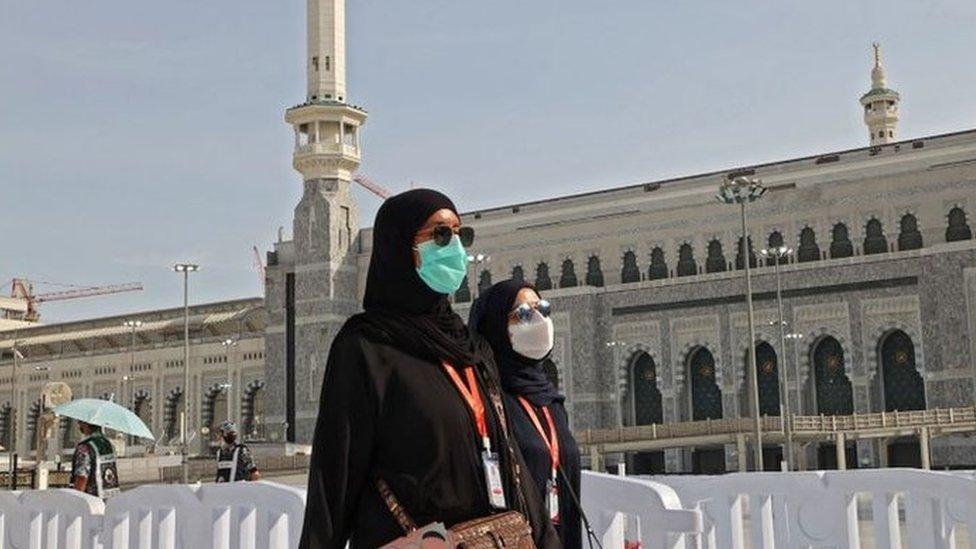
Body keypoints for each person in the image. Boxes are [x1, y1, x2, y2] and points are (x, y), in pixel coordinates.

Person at [299, 189, 559, 548]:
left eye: (459, 234)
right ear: (399, 246)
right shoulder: (367, 348)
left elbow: (513, 466)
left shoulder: (472, 350)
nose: (453, 245)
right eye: (439, 234)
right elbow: (334, 480)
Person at [470, 280, 583, 548]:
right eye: (522, 313)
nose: (538, 319)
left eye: (542, 309)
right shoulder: (487, 402)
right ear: (495, 326)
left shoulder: (551, 403)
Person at [70, 421, 120, 499]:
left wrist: (75, 500)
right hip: (111, 501)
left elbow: (82, 477)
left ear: (86, 423)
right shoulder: (108, 444)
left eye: (80, 421)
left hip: (91, 502)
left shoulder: (85, 448)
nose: (78, 424)